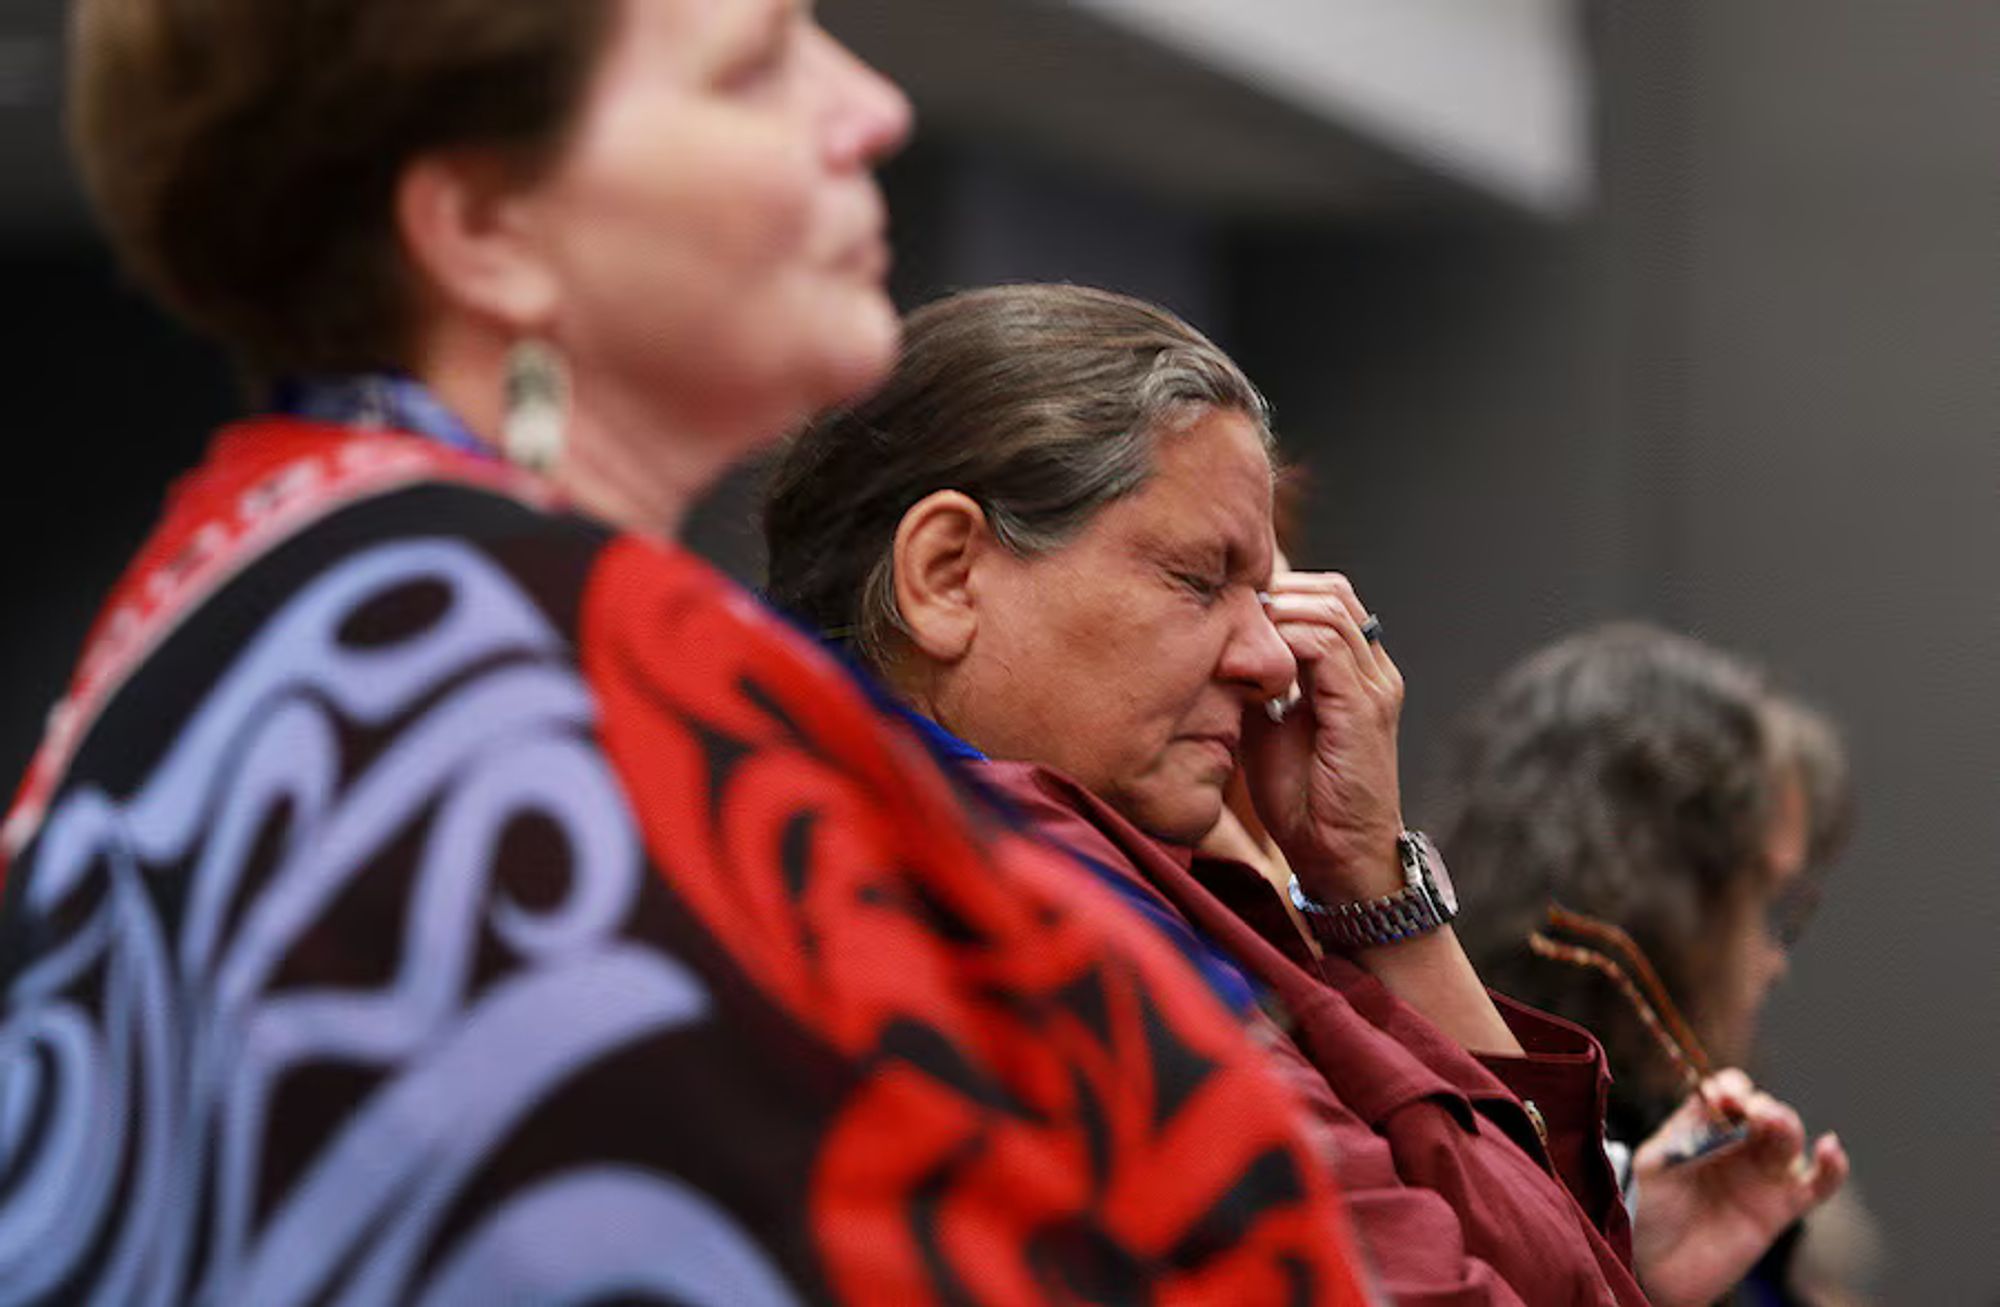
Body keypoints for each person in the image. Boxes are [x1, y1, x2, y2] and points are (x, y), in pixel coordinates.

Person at [0, 4, 1378, 1302]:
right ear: (486, 225)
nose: (872, 109)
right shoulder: (508, 714)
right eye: (754, 68)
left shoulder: (292, 592)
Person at [764, 282, 1849, 1306]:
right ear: (948, 573)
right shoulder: (1007, 893)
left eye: (1263, 592)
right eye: (1199, 579)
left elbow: (1543, 1259)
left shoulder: (1062, 863)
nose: (1271, 658)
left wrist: (1366, 875)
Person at [1439, 623, 1878, 1305]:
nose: (1772, 959)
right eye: (1763, 900)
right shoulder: (1455, 1156)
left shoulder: (1717, 1167)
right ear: (1665, 903)